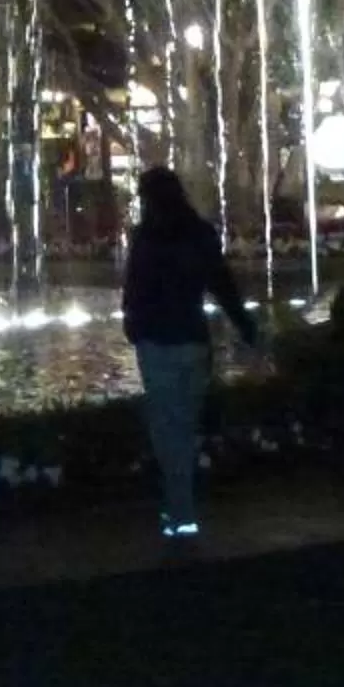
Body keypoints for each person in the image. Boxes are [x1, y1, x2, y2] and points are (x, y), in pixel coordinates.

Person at [123, 166, 256, 540]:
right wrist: (245, 326)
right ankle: (182, 507)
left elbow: (133, 288)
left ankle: (179, 510)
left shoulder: (146, 238)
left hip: (157, 343)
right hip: (193, 340)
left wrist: (132, 324)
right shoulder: (200, 234)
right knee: (184, 424)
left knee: (167, 428)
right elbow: (221, 282)